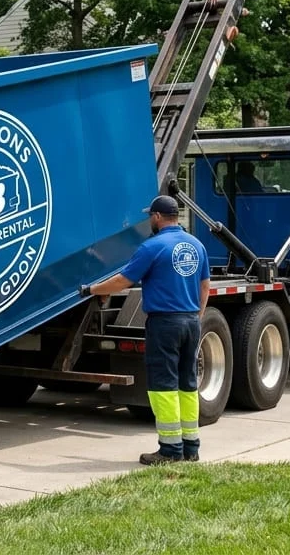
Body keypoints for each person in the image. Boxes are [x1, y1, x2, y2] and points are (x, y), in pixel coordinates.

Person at [80, 194, 210, 464]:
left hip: (165, 323)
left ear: (158, 217)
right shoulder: (196, 245)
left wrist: (92, 290)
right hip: (191, 321)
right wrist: (196, 317)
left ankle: (170, 450)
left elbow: (123, 281)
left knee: (163, 385)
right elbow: (205, 286)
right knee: (187, 384)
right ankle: (191, 447)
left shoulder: (152, 247)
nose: (149, 219)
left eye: (150, 215)